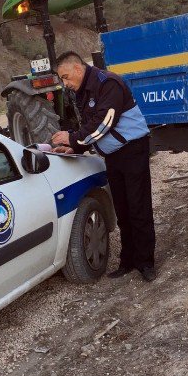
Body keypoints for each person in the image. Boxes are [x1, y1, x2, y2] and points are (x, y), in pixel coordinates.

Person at [51, 51, 156, 282]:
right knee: (122, 209)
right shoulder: (82, 91)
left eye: (66, 77)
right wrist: (76, 148)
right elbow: (89, 125)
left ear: (78, 69)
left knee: (139, 207)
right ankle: (128, 260)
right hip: (113, 155)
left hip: (132, 150)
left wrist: (71, 139)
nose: (65, 84)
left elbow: (103, 124)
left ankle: (146, 262)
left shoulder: (108, 83)